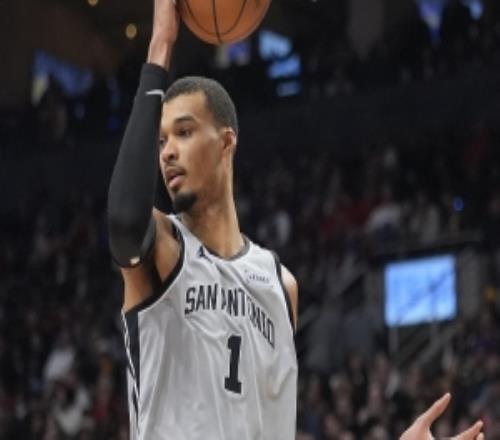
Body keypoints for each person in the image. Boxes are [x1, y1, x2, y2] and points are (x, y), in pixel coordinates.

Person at [107, 0, 484, 439]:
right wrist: (160, 47)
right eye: (160, 141)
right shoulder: (166, 248)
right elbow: (124, 222)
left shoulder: (279, 284)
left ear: (226, 142)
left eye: (184, 132)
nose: (168, 151)